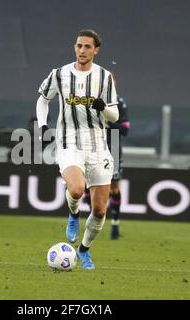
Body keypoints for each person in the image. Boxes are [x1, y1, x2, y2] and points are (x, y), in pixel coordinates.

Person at [36, 29, 119, 270]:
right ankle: (73, 215)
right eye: (79, 46)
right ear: (75, 47)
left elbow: (114, 115)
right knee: (76, 188)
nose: (82, 51)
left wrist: (103, 107)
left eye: (87, 47)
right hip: (68, 140)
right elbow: (43, 98)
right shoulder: (59, 74)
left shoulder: (104, 78)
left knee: (100, 210)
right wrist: (42, 126)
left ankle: (84, 250)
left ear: (96, 50)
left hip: (98, 146)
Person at [84, 75, 130, 240]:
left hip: (113, 146)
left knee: (114, 188)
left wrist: (109, 122)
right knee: (87, 184)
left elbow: (125, 130)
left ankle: (115, 225)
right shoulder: (89, 99)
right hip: (93, 145)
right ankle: (94, 219)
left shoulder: (119, 102)